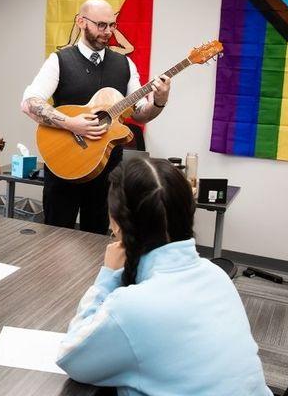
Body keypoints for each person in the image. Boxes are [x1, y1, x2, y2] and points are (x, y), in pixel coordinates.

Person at [57, 158, 271, 395]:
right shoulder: (217, 276)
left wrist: (107, 276)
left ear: (117, 224)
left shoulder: (132, 306)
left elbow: (72, 356)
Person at [21, 0, 170, 235]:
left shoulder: (125, 65)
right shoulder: (59, 61)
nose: (108, 31)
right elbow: (29, 103)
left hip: (106, 170)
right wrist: (71, 124)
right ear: (81, 22)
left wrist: (159, 101)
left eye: (112, 25)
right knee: (54, 239)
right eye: (101, 25)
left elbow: (140, 114)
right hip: (63, 166)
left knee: (97, 239)